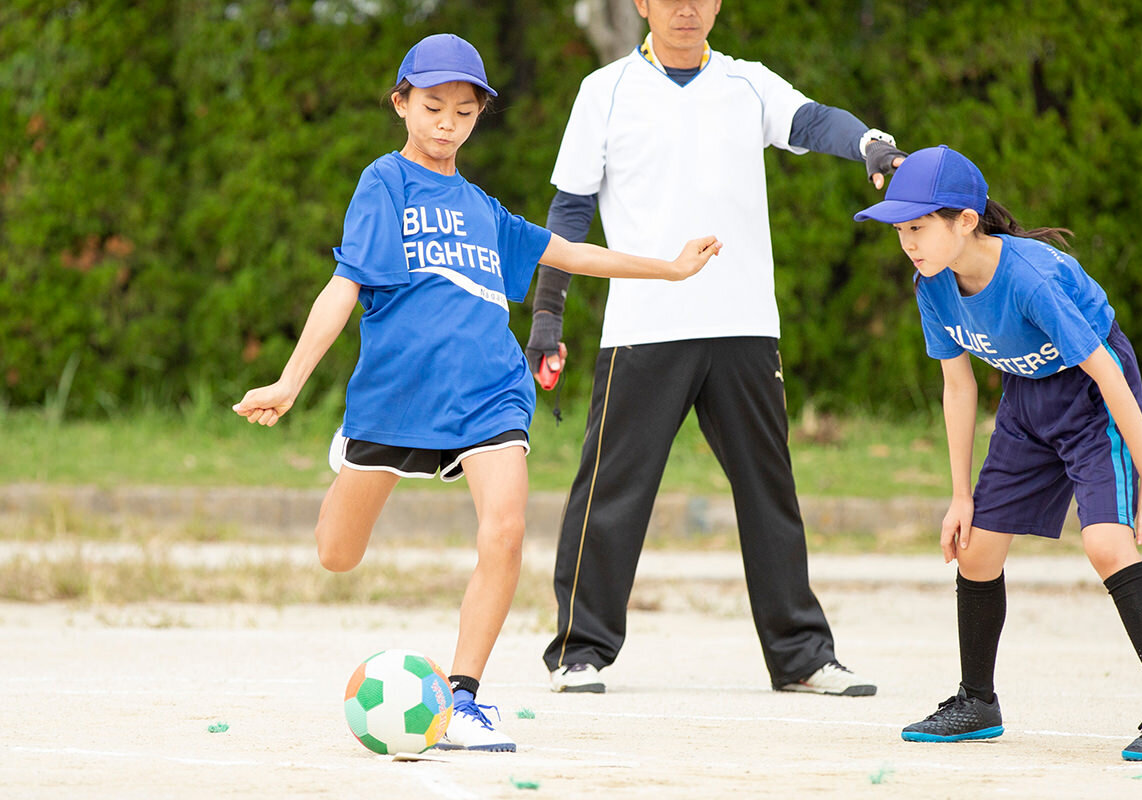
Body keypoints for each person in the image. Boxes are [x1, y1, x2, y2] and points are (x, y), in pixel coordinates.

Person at [233, 33, 721, 753]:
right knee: (337, 554)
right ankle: (351, 460)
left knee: (507, 529)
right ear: (401, 103)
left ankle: (462, 698)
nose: (446, 124)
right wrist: (290, 381)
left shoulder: (484, 210)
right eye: (432, 107)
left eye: (463, 111)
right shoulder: (384, 185)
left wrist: (670, 270)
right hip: (397, 397)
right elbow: (344, 287)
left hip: (491, 394)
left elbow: (573, 253)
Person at [526, 0, 905, 695]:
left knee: (770, 492)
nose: (687, 8)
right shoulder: (603, 91)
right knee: (610, 493)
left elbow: (815, 121)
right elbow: (570, 210)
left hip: (744, 326)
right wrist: (548, 315)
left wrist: (871, 144)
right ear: (641, 4)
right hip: (643, 326)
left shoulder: (747, 83)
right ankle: (579, 650)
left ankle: (801, 656)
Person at [854, 144, 1142, 761]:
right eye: (901, 230)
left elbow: (1107, 372)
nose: (908, 243)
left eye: (919, 227)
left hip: (1092, 395)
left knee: (1106, 544)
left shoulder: (1031, 277)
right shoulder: (932, 284)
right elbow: (958, 386)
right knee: (975, 550)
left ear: (966, 220)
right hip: (1027, 397)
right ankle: (976, 701)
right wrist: (960, 495)